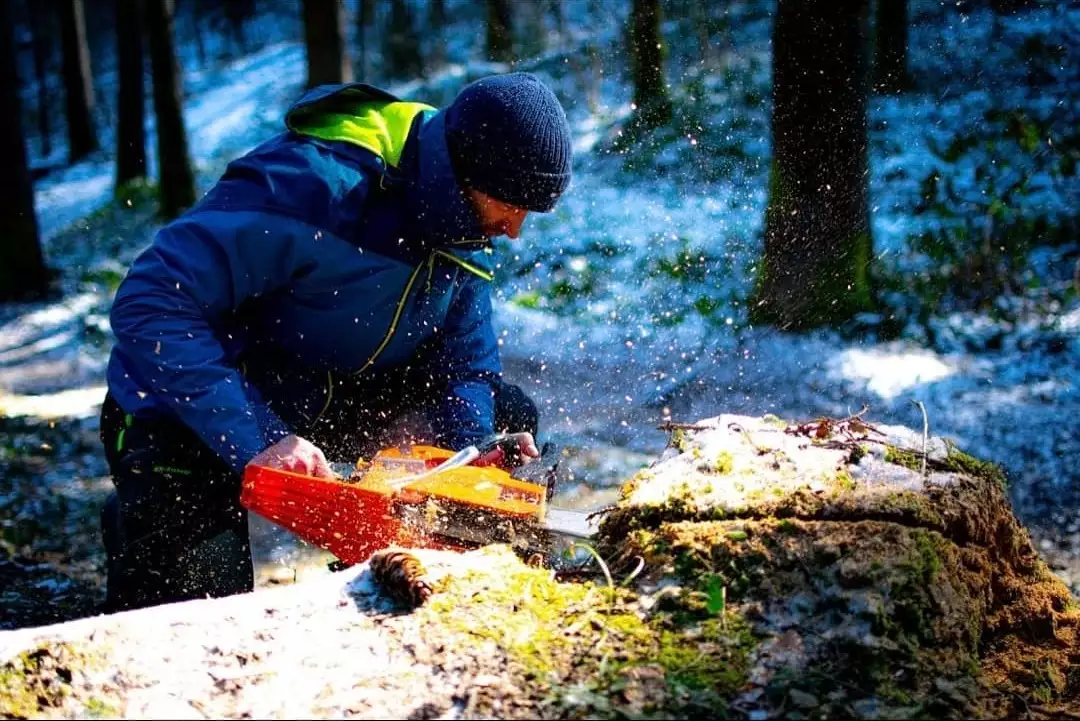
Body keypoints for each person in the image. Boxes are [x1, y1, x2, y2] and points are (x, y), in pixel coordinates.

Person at [97, 71, 574, 612]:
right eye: (509, 205)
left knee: (504, 419)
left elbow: (463, 364)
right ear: (465, 175)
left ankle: (401, 582)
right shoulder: (313, 185)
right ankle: (150, 524)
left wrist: (467, 458)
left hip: (323, 391)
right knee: (194, 607)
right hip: (186, 405)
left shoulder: (463, 223)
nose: (514, 229)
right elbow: (151, 301)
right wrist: (260, 438)